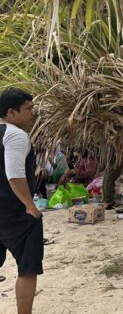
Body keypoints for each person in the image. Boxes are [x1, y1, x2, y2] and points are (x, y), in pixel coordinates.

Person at [0, 87, 43, 314]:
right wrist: (30, 207)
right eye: (28, 108)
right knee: (28, 267)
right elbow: (14, 174)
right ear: (11, 112)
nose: (32, 113)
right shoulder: (15, 134)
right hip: (13, 211)